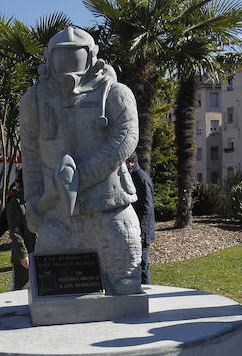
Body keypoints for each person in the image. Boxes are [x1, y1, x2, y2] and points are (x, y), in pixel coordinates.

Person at [19, 26, 142, 295]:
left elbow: (125, 139)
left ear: (92, 56)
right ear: (49, 58)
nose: (68, 68)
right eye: (61, 59)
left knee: (125, 282)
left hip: (108, 204)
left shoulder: (115, 93)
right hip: (57, 211)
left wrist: (80, 177)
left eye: (75, 58)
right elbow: (30, 154)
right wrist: (35, 200)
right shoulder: (34, 100)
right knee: (55, 287)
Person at [0, 173, 37, 290]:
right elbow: (13, 228)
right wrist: (22, 255)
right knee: (20, 290)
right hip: (25, 254)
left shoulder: (39, 198)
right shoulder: (15, 201)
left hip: (40, 252)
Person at [126, 153, 156, 285]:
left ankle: (147, 294)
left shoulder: (141, 178)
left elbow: (147, 207)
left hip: (142, 230)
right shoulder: (132, 177)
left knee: (143, 265)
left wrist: (142, 232)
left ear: (132, 162)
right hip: (136, 228)